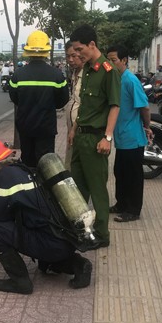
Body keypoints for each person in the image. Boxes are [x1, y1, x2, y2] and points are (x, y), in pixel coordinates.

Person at [0, 138, 92, 294]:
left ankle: (20, 281)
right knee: (45, 262)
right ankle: (78, 264)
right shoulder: (24, 169)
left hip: (51, 245)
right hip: (67, 240)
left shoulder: (5, 178)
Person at [68, 25, 121, 248]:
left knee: (97, 189)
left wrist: (107, 138)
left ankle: (101, 234)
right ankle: (80, 229)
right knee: (77, 188)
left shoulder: (108, 71)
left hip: (96, 140)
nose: (78, 54)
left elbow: (115, 106)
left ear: (92, 45)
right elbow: (85, 106)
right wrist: (73, 129)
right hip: (80, 137)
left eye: (80, 49)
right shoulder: (88, 70)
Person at [8, 30, 69, 167]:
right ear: (47, 51)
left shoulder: (18, 75)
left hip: (25, 128)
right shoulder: (57, 75)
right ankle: (43, 188)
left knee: (28, 164)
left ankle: (30, 187)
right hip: (46, 129)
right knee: (46, 165)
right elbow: (63, 100)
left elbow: (15, 98)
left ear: (28, 51)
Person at [106, 45, 151, 223]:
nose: (110, 63)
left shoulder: (130, 80)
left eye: (113, 60)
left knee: (133, 176)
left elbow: (145, 107)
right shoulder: (116, 78)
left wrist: (147, 126)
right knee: (120, 172)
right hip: (122, 138)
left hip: (133, 138)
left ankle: (133, 210)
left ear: (124, 60)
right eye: (108, 59)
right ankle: (121, 203)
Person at [63, 42, 83, 170]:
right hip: (72, 130)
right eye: (68, 56)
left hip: (80, 130)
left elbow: (85, 106)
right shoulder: (74, 73)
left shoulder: (88, 75)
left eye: (74, 56)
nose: (70, 60)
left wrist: (74, 129)